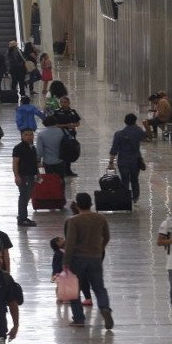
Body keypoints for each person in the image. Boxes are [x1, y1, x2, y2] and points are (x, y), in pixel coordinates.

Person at [63, 193, 114, 329]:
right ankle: (105, 308)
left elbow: (70, 244)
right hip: (95, 258)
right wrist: (100, 249)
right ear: (91, 204)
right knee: (99, 287)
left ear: (77, 205)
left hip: (77, 259)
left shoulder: (73, 221)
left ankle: (79, 318)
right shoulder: (100, 218)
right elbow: (107, 236)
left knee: (74, 289)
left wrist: (65, 263)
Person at [108, 113, 146, 203]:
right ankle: (135, 197)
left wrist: (111, 162)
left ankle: (125, 198)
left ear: (125, 121)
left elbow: (114, 150)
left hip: (123, 160)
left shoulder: (118, 134)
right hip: (135, 160)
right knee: (134, 179)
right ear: (135, 121)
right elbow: (146, 138)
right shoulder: (139, 131)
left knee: (124, 180)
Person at [50, 237, 93, 305]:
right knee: (60, 286)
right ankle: (59, 297)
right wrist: (57, 273)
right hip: (59, 273)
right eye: (61, 239)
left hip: (65, 272)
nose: (64, 239)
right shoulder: (58, 253)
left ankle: (64, 298)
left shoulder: (64, 251)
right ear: (57, 243)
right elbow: (55, 264)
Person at [53, 96, 81, 176]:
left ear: (68, 103)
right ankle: (61, 170)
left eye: (65, 102)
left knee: (69, 152)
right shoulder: (57, 112)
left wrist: (73, 125)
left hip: (71, 135)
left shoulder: (72, 112)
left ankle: (68, 170)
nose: (63, 104)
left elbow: (78, 123)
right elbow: (55, 125)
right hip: (60, 135)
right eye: (62, 102)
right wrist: (66, 125)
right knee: (61, 152)